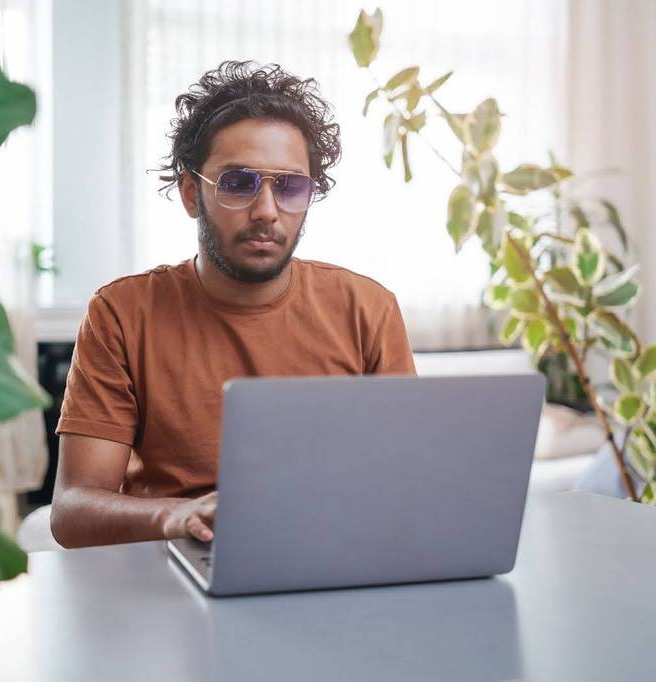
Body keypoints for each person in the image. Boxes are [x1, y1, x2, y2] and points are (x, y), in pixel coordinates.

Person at [50, 61, 415, 548]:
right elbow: (73, 511)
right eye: (239, 183)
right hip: (168, 566)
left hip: (328, 558)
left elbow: (406, 485)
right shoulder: (120, 313)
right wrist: (177, 517)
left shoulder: (368, 309)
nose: (267, 211)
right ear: (190, 194)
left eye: (289, 186)